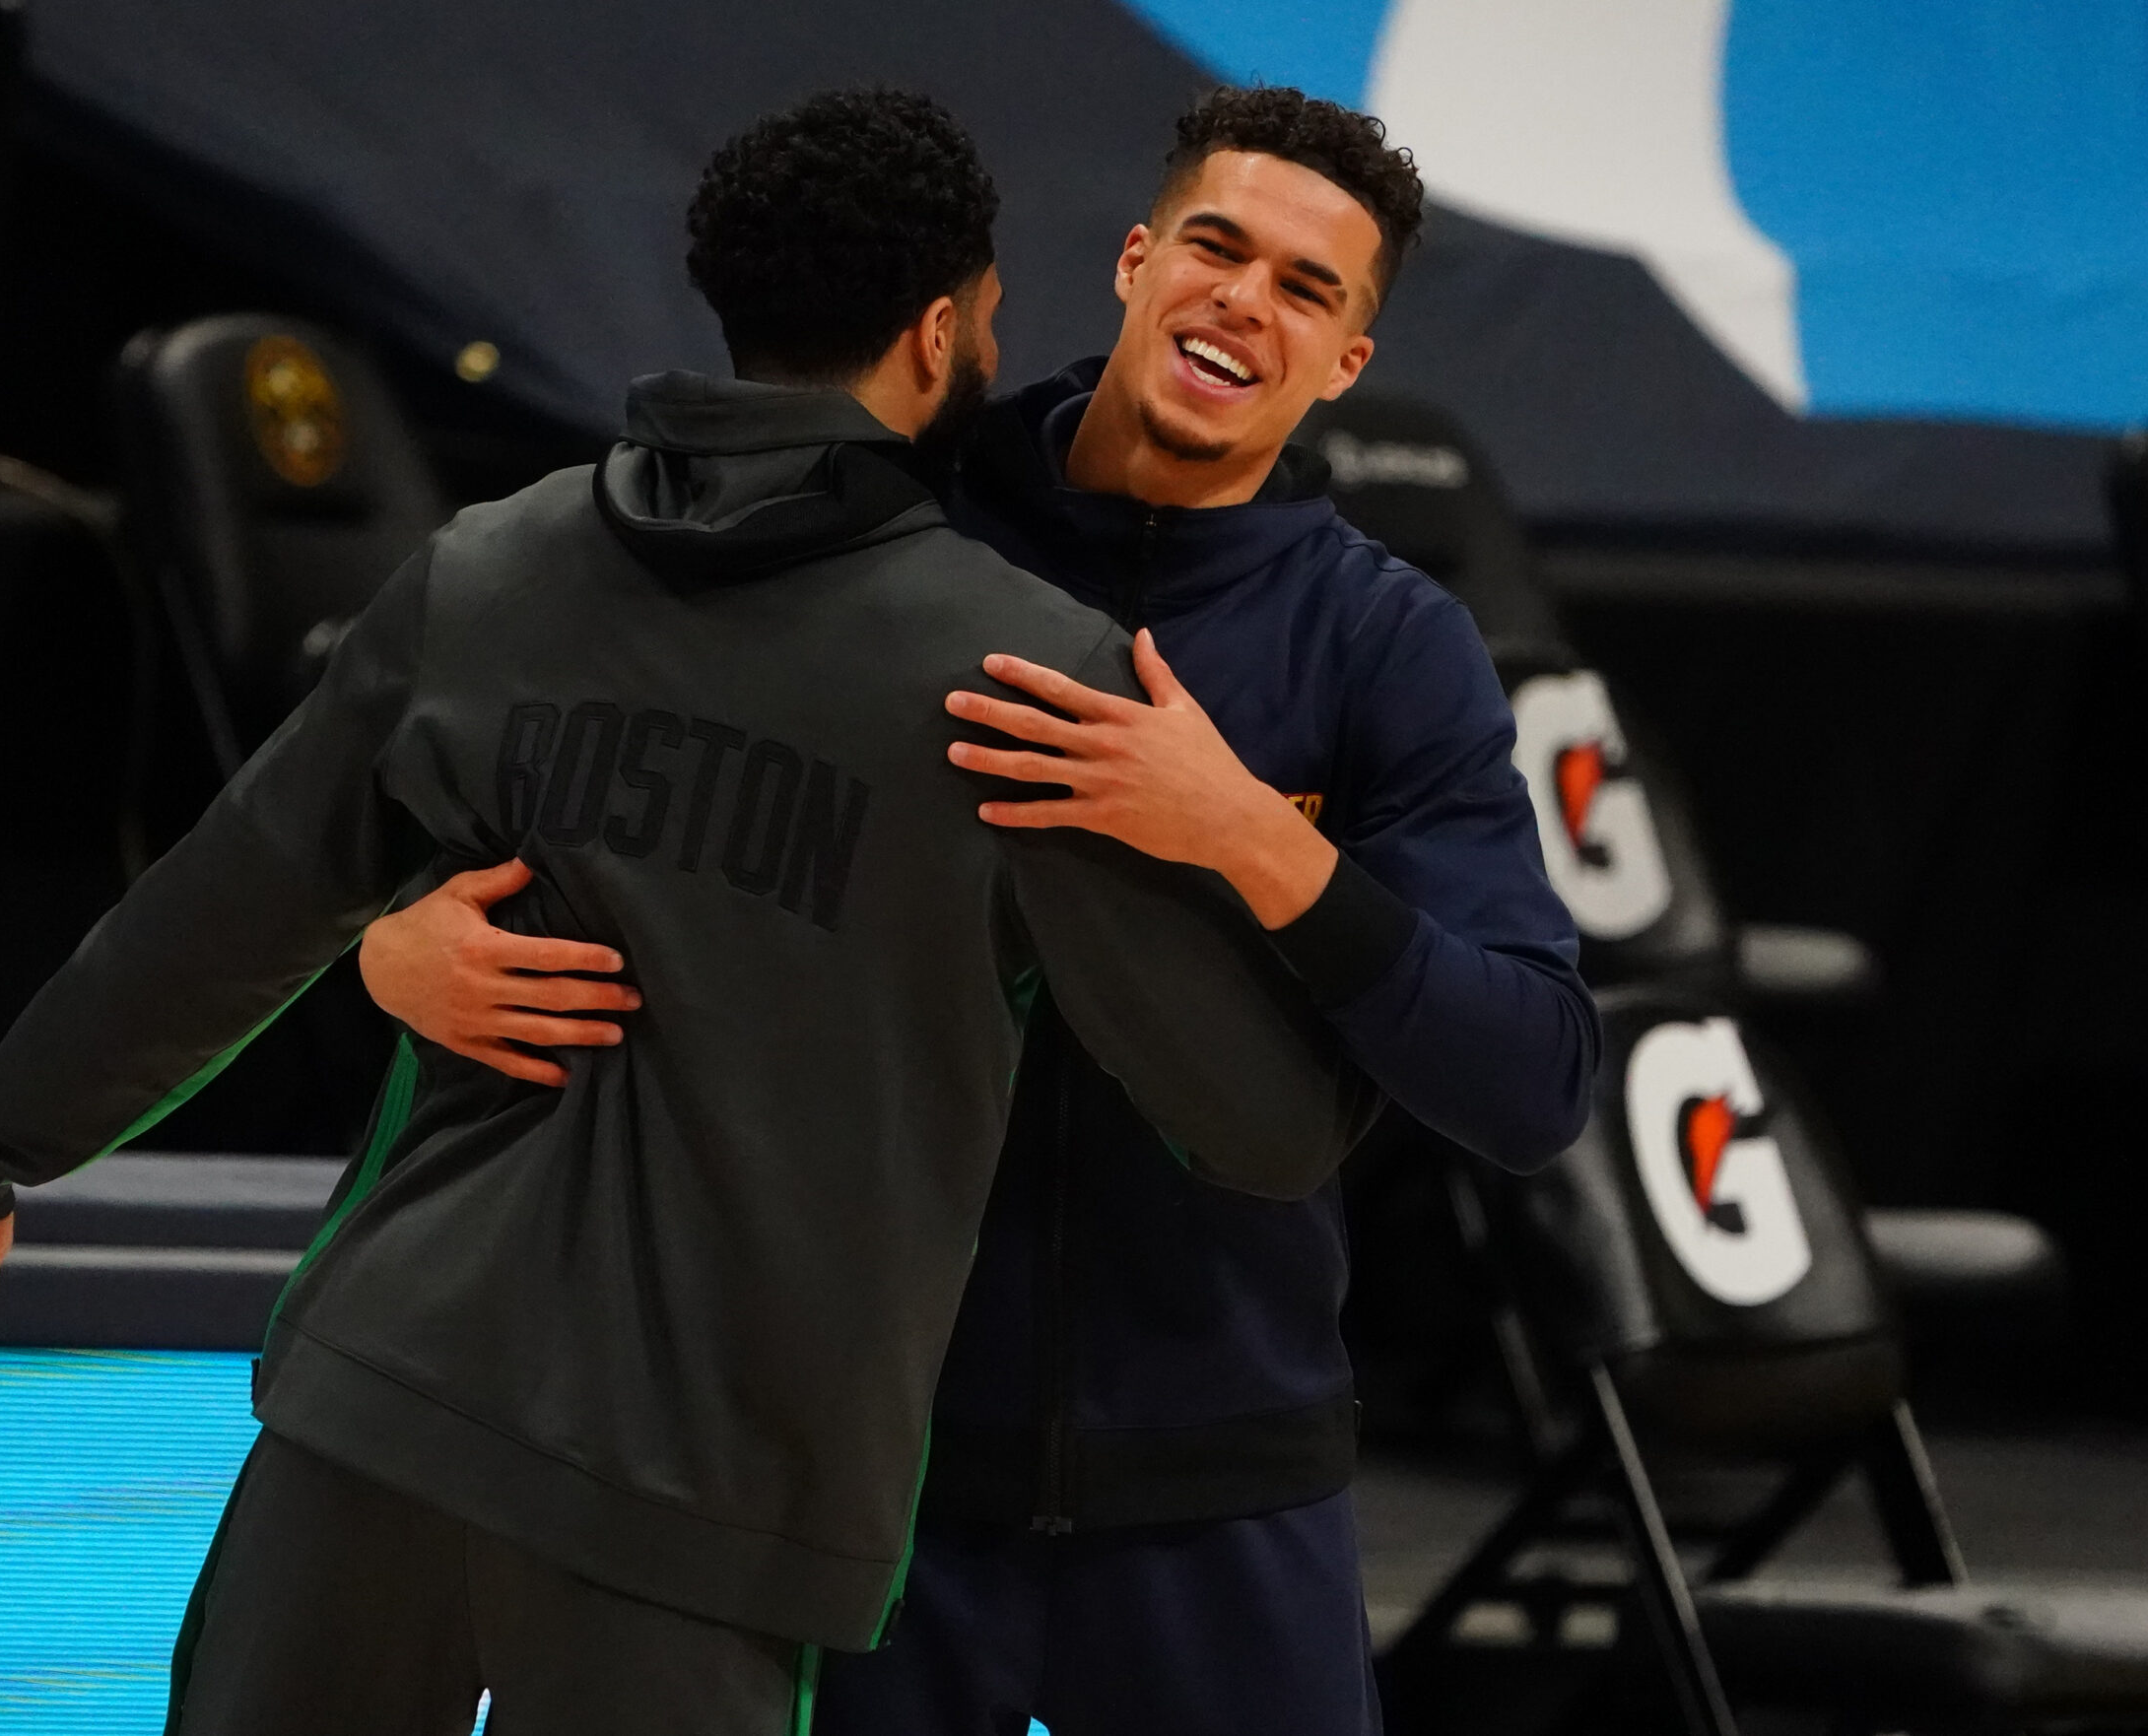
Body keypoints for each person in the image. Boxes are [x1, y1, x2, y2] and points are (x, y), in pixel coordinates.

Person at [0, 91, 1380, 1736]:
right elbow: (1265, 1126)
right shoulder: (1029, 681)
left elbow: (213, 912)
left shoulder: (490, 570)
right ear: (939, 336)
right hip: (701, 1503)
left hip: (378, 1415)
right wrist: (1260, 852)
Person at [360, 87, 1597, 1734]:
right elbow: (552, 729)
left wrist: (1246, 834)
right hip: (860, 1471)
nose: (1247, 300)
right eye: (1218, 248)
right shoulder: (887, 521)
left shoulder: (1387, 646)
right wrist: (388, 933)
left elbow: (1534, 1080)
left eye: (1310, 290)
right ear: (1136, 259)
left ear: (1345, 365)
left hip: (1226, 1481)